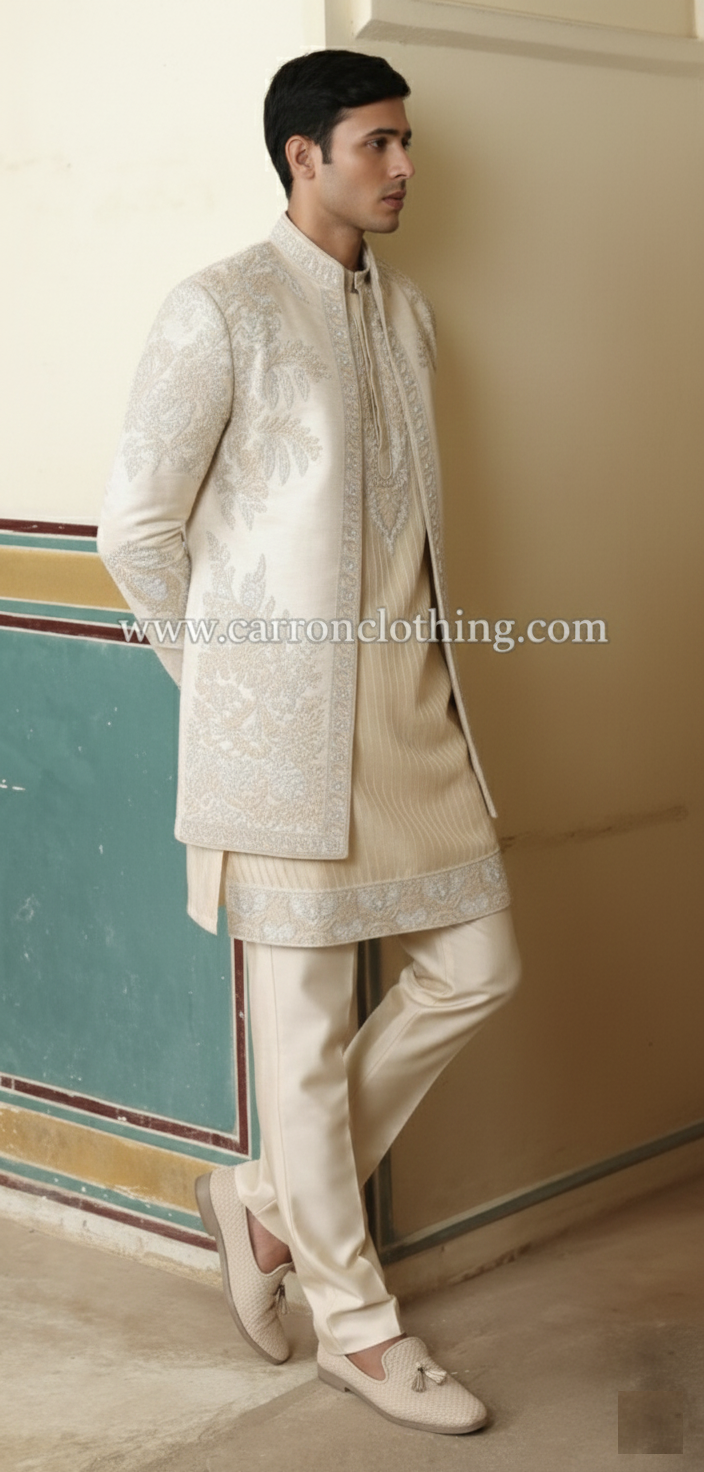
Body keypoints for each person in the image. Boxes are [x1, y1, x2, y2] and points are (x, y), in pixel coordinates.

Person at [98, 49, 521, 1436]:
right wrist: (230, 687)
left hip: (417, 721)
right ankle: (358, 1330)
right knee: (301, 1041)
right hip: (281, 744)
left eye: (406, 142)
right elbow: (133, 533)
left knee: (480, 967)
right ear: (303, 155)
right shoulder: (218, 307)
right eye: (377, 143)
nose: (404, 167)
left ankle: (267, 1202)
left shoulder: (409, 316)